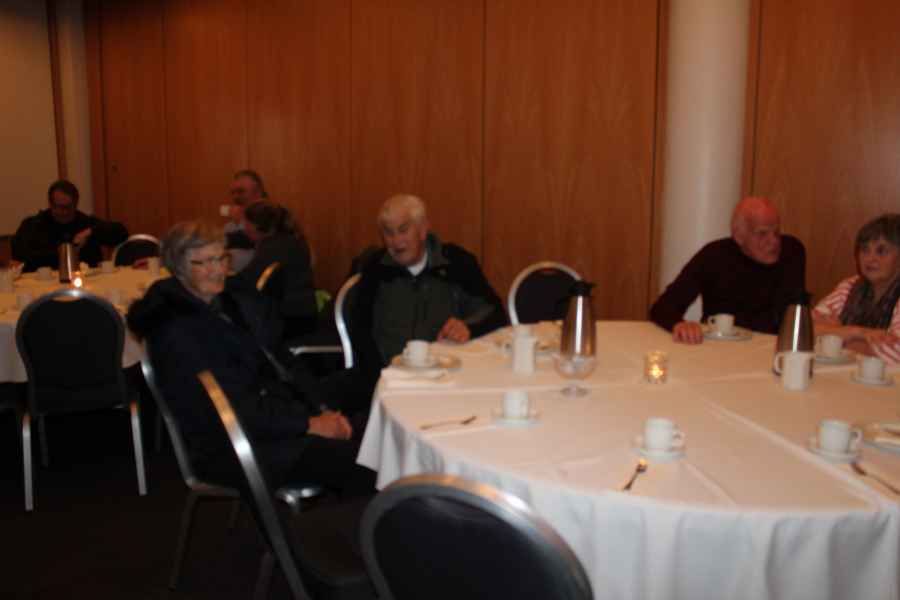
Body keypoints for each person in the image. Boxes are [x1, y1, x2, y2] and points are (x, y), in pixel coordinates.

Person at [127, 221, 373, 496]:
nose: (218, 269)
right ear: (179, 268)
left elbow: (280, 360)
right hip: (233, 444)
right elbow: (233, 408)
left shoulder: (227, 304)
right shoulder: (177, 329)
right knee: (363, 456)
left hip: (268, 414)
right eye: (204, 262)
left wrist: (320, 408)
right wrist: (309, 424)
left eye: (221, 258)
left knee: (365, 390)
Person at [350, 194, 507, 390]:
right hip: (390, 379)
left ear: (423, 230)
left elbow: (495, 313)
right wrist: (383, 379)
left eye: (403, 230)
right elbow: (361, 333)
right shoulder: (375, 269)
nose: (396, 241)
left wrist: (468, 327)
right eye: (388, 233)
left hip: (449, 380)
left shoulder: (456, 263)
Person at [650, 196, 807, 343]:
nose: (774, 241)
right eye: (762, 233)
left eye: (776, 232)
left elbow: (796, 306)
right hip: (722, 348)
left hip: (774, 347)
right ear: (739, 235)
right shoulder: (714, 256)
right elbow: (663, 307)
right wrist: (679, 324)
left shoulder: (793, 252)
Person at [813, 214, 900, 363]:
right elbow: (807, 327)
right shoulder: (850, 286)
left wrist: (835, 334)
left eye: (881, 251)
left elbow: (895, 353)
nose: (870, 259)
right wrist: (856, 332)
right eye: (865, 250)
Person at [229, 201, 318, 339]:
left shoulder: (274, 247)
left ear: (255, 226)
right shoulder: (288, 240)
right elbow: (242, 239)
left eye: (246, 224)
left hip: (289, 320)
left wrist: (221, 279)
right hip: (301, 316)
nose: (244, 229)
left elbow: (248, 282)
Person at [12, 179, 128, 271]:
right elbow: (19, 253)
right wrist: (63, 253)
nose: (61, 212)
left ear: (75, 204)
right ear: (50, 204)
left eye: (66, 207)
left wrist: (91, 232)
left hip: (87, 283)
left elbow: (122, 233)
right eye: (56, 206)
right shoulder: (34, 224)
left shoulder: (85, 222)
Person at [225, 169, 267, 272]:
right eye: (233, 193)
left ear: (258, 193)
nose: (235, 197)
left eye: (241, 191)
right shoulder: (230, 225)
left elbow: (260, 244)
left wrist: (240, 222)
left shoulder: (271, 217)